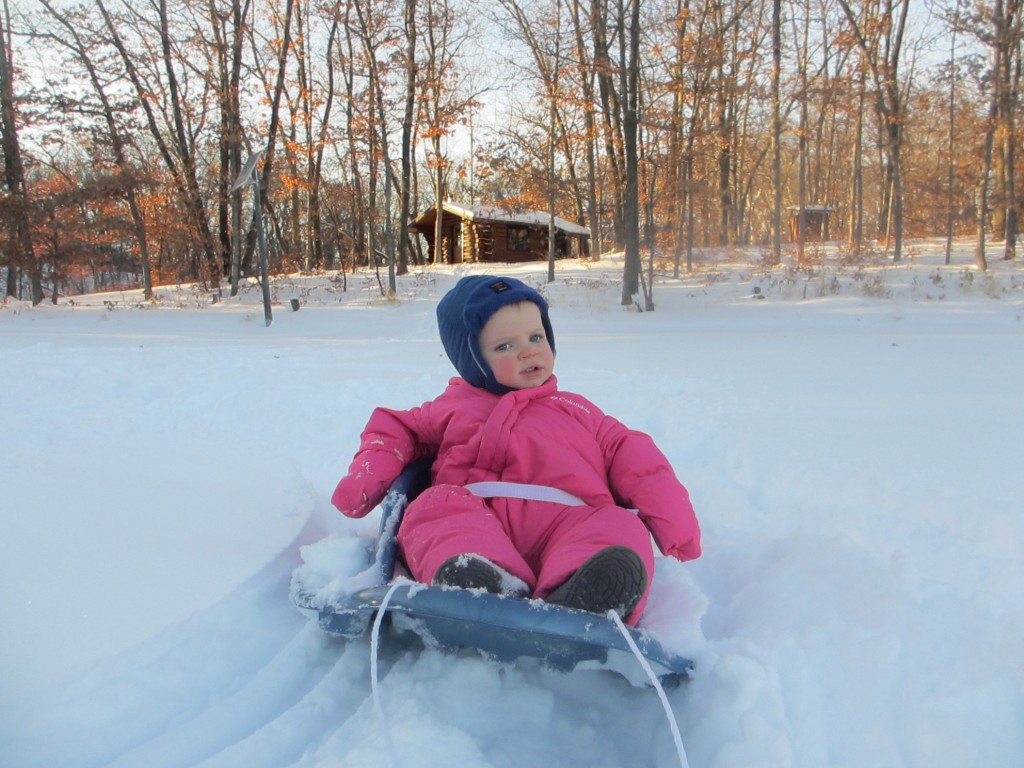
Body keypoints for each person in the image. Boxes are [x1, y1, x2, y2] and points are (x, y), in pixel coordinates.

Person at [332, 275, 700, 626]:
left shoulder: (579, 411)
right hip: (478, 511)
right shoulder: (452, 406)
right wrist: (366, 476)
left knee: (618, 522)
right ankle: (478, 577)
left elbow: (636, 457)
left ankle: (584, 590)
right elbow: (395, 427)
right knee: (433, 506)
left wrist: (675, 524)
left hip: (569, 518)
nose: (527, 352)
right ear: (472, 359)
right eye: (505, 346)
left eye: (536, 336)